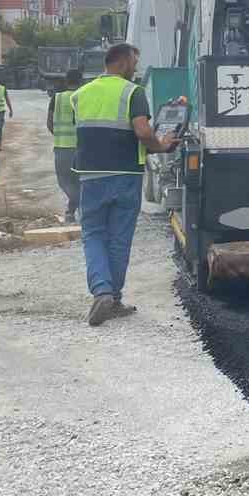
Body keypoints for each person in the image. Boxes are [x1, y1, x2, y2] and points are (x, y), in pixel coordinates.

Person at [74, 43, 177, 326]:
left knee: (93, 234)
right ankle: (114, 298)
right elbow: (143, 131)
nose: (136, 68)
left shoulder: (80, 94)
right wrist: (162, 145)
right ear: (120, 63)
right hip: (125, 175)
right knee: (119, 238)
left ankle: (101, 291)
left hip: (91, 176)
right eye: (134, 63)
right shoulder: (133, 92)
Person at [46, 68, 83, 223]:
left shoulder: (57, 98)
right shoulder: (83, 97)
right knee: (78, 181)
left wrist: (59, 134)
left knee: (64, 181)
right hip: (80, 148)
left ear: (66, 81)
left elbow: (49, 122)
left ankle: (74, 208)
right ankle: (75, 209)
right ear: (81, 82)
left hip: (61, 148)